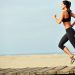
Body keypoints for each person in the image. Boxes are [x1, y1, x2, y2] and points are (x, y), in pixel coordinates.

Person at [53, 0, 75, 64]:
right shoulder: (69, 12)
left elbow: (59, 22)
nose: (61, 5)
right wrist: (72, 25)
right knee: (60, 45)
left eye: (62, 4)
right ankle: (71, 55)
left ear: (65, 5)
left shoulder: (63, 12)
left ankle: (71, 56)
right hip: (70, 31)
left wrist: (54, 17)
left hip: (69, 31)